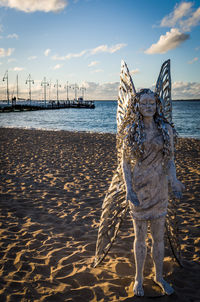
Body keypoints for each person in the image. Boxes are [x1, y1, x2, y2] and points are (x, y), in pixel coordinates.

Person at [122, 88, 185, 296]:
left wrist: (174, 181)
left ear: (157, 105)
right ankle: (138, 278)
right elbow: (124, 163)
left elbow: (170, 160)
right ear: (137, 106)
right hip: (139, 189)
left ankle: (158, 276)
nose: (148, 107)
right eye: (144, 103)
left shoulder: (165, 129)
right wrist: (128, 188)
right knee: (140, 237)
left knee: (159, 237)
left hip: (159, 188)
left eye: (152, 103)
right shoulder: (131, 129)